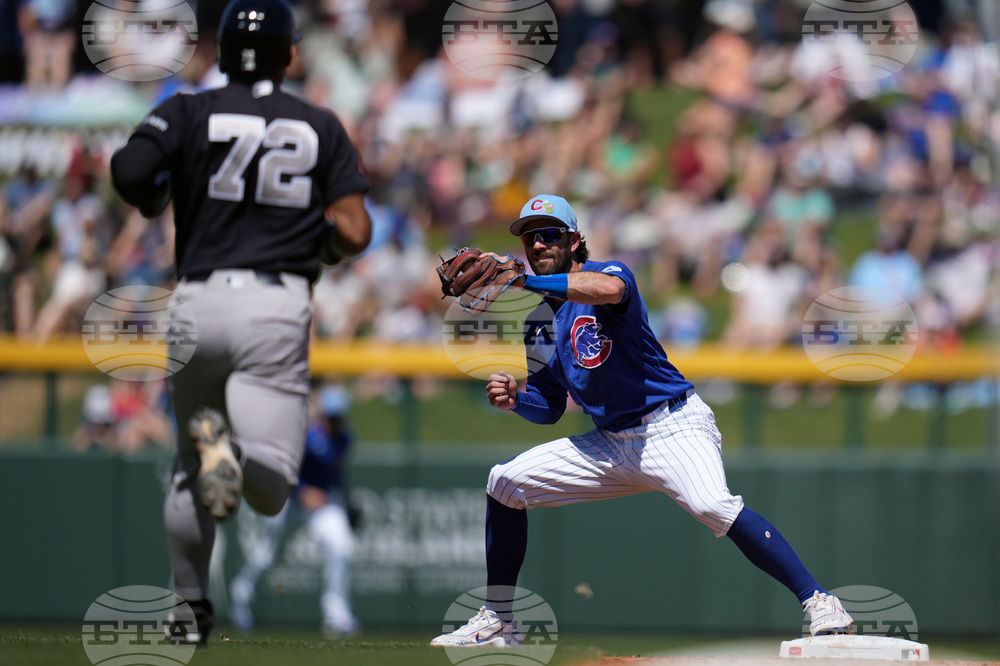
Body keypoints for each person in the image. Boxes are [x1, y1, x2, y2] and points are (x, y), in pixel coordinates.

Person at [430, 195, 854, 647]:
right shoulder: (537, 319)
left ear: (575, 241)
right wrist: (517, 399)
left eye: (550, 233)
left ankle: (820, 601)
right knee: (505, 484)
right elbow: (551, 407)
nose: (538, 244)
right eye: (531, 236)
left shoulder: (610, 273)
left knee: (713, 506)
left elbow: (610, 293)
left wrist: (530, 284)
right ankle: (498, 619)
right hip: (610, 443)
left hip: (670, 426)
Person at [110, 0, 372, 646]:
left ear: (221, 51)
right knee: (270, 487)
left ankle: (188, 605)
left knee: (187, 466)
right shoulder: (316, 123)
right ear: (289, 54)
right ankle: (234, 455)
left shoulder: (186, 109)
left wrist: (156, 198)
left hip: (196, 304)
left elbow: (130, 171)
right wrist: (323, 246)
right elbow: (355, 230)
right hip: (273, 305)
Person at [230, 384, 361, 638]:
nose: (333, 420)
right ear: (321, 413)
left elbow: (336, 473)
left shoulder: (344, 437)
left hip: (323, 503)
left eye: (337, 416)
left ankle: (337, 614)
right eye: (330, 415)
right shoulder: (304, 434)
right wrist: (302, 491)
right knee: (267, 553)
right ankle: (241, 597)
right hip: (290, 499)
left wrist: (346, 499)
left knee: (342, 547)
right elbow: (283, 469)